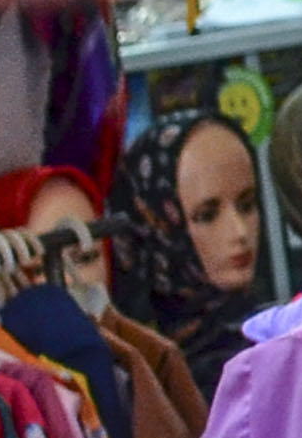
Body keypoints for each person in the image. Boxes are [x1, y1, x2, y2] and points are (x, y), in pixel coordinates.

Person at [110, 105, 276, 387]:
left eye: (247, 205)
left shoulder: (279, 339)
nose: (239, 232)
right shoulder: (143, 374)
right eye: (207, 215)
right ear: (159, 223)